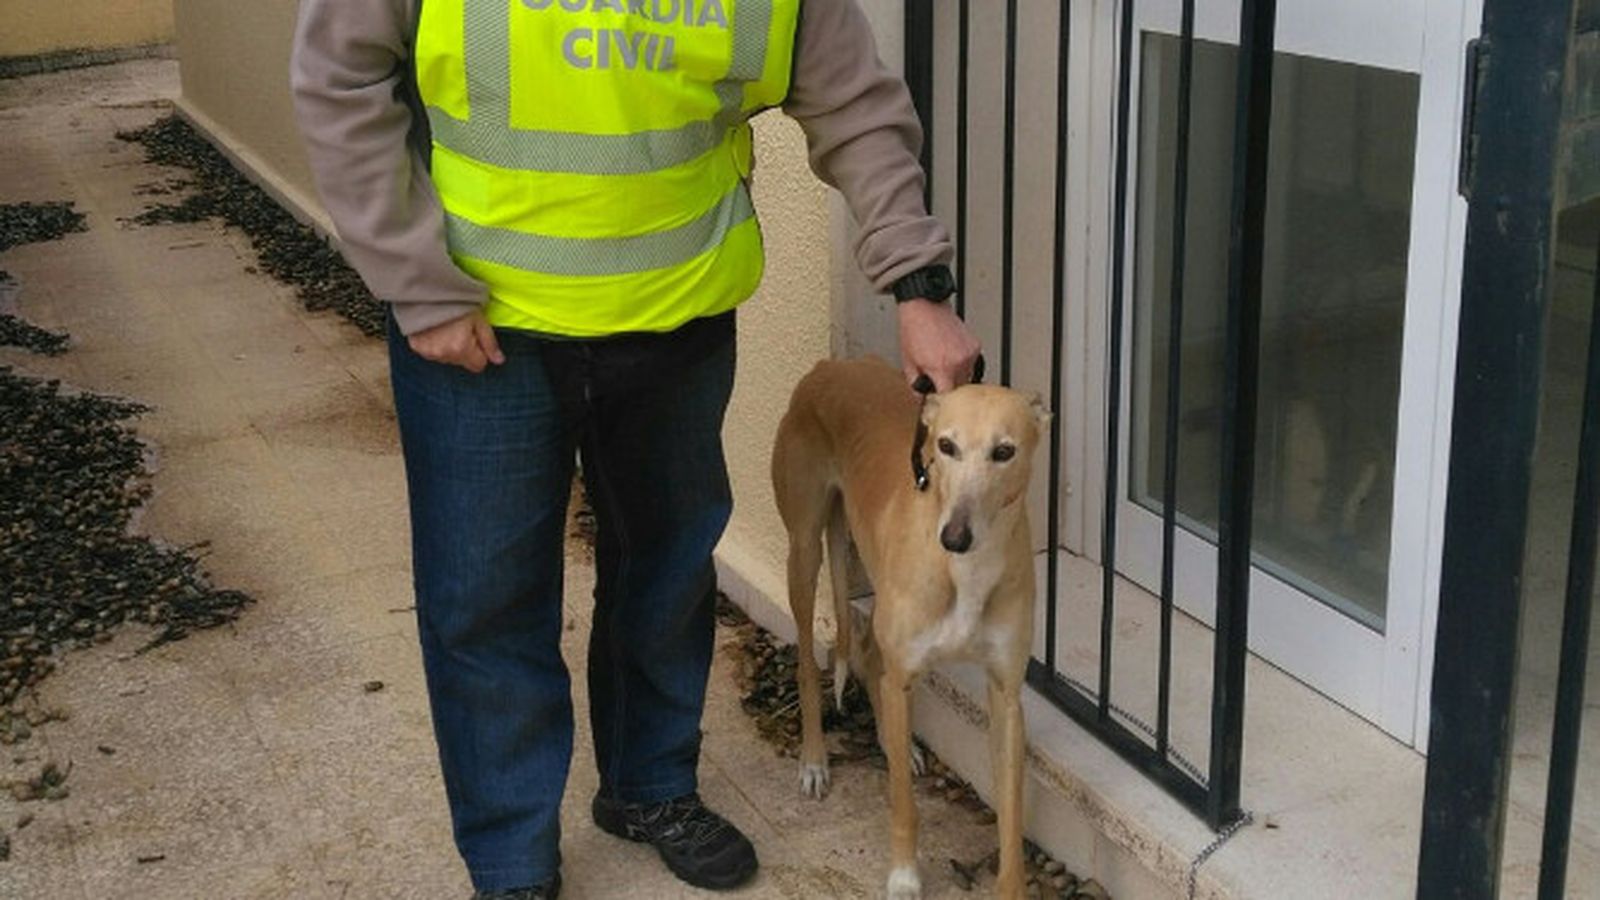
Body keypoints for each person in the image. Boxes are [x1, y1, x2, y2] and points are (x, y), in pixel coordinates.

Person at [290, 0, 979, 896]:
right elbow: (341, 78)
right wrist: (416, 283)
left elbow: (853, 104)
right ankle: (510, 856)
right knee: (486, 602)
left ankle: (648, 786)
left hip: (678, 318)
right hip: (484, 330)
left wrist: (917, 282)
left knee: (667, 572)